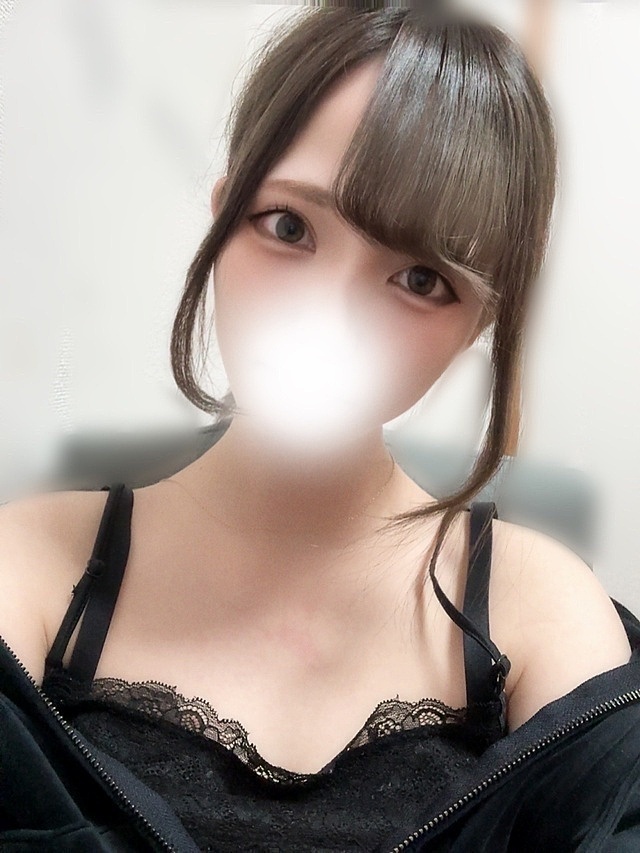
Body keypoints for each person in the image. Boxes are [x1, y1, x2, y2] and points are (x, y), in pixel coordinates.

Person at [1, 4, 640, 851]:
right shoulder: (30, 570)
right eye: (289, 227)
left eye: (421, 278)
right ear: (224, 211)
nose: (327, 315)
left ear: (478, 323)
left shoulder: (541, 610)